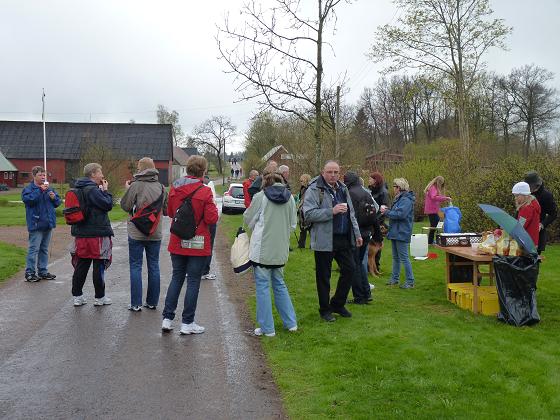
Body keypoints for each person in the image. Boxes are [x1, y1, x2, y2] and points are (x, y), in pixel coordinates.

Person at [161, 155, 218, 335]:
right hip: (197, 242)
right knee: (193, 281)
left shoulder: (175, 188)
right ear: (203, 171)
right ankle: (187, 323)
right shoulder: (205, 191)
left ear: (187, 169)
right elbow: (211, 218)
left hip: (178, 240)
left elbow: (170, 212)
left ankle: (167, 319)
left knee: (177, 277)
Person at [302, 160, 362, 322]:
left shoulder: (342, 188)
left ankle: (337, 303)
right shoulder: (315, 189)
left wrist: (357, 233)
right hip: (324, 239)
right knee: (324, 276)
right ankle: (325, 310)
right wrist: (332, 211)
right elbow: (308, 214)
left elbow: (351, 214)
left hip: (343, 238)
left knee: (350, 269)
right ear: (323, 172)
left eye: (336, 172)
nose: (333, 175)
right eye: (330, 172)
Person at [243, 172, 298, 336]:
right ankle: (291, 323)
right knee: (279, 284)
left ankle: (268, 329)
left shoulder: (260, 197)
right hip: (280, 250)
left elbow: (248, 218)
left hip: (262, 250)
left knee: (263, 288)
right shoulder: (290, 199)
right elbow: (293, 224)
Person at [120, 157, 168, 311]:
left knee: (136, 266)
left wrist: (127, 190)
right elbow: (166, 211)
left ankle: (135, 304)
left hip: (136, 232)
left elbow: (125, 206)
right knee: (154, 266)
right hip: (155, 232)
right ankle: (152, 302)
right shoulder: (161, 187)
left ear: (140, 169)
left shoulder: (136, 185)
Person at [71, 163, 114, 307]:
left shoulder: (78, 188)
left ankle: (77, 296)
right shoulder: (92, 190)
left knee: (81, 265)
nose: (102, 175)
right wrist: (106, 191)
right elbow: (107, 204)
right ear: (93, 174)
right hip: (97, 234)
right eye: (100, 172)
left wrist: (100, 191)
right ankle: (99, 298)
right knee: (98, 265)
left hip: (81, 233)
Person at [21, 166, 61, 282]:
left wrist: (54, 198)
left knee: (44, 249)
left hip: (48, 223)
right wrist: (40, 190)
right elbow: (29, 201)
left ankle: (43, 271)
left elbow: (57, 203)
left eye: (44, 175)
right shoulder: (29, 189)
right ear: (34, 176)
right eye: (40, 175)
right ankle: (30, 273)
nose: (43, 177)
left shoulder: (50, 188)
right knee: (34, 249)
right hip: (36, 224)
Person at [344, 171, 375, 304]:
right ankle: (366, 293)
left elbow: (350, 215)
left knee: (354, 265)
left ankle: (359, 296)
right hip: (367, 232)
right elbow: (376, 209)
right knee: (359, 263)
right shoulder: (366, 192)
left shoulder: (350, 193)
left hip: (356, 233)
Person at [381, 178, 416, 289]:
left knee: (404, 258)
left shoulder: (406, 200)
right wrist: (389, 210)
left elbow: (400, 214)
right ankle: (394, 279)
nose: (393, 188)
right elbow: (396, 212)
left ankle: (410, 281)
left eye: (394, 186)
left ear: (399, 188)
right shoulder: (400, 199)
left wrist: (386, 212)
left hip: (402, 231)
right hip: (396, 231)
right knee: (396, 257)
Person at [524, 171, 557, 254]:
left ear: (536, 185)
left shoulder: (547, 196)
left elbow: (553, 214)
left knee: (533, 264)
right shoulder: (524, 194)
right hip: (522, 232)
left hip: (537, 235)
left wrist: (542, 224)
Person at [368, 172, 389, 273]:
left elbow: (384, 208)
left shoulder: (383, 192)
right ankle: (370, 267)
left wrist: (376, 220)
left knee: (377, 244)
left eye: (371, 178)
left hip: (378, 221)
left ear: (376, 180)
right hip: (371, 219)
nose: (369, 180)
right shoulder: (370, 190)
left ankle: (377, 266)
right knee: (371, 245)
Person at [512, 181, 541, 248]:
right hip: (532, 241)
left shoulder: (527, 208)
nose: (515, 198)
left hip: (526, 243)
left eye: (517, 195)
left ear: (524, 195)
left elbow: (520, 226)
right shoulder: (533, 203)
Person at [423, 176, 451, 244]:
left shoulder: (432, 187)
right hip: (432, 210)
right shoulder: (433, 188)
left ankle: (433, 241)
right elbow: (434, 197)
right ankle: (431, 241)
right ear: (439, 182)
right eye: (441, 184)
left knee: (435, 225)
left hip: (432, 210)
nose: (441, 186)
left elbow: (435, 198)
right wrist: (445, 198)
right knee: (435, 225)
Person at [201, 174, 218, 280]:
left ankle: (191, 270)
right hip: (207, 221)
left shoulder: (183, 185)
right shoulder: (209, 185)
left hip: (191, 221)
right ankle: (204, 271)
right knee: (208, 245)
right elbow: (212, 204)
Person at [296, 173, 312, 249]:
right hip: (302, 210)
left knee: (310, 228)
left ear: (306, 180)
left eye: (302, 180)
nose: (300, 182)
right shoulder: (302, 188)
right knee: (302, 229)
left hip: (308, 210)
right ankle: (301, 245)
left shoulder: (310, 189)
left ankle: (312, 246)